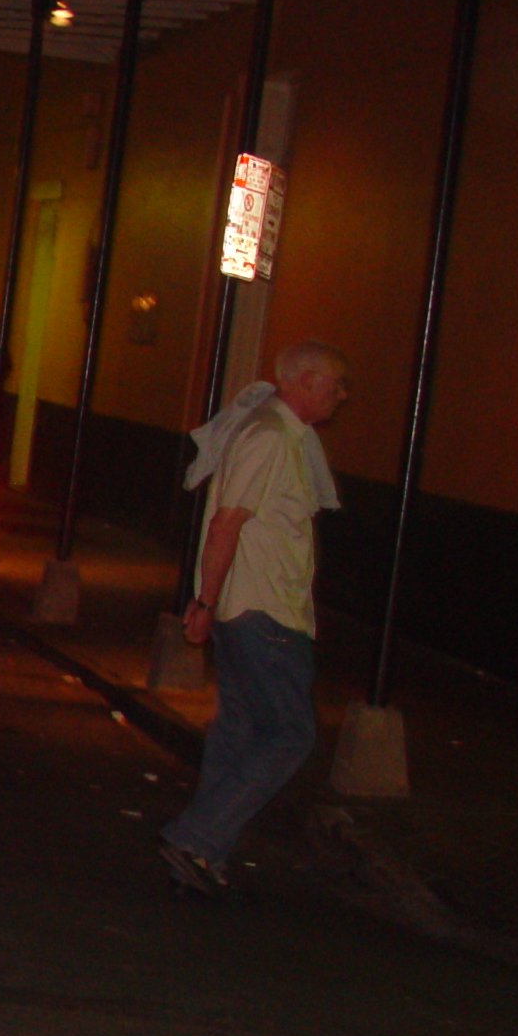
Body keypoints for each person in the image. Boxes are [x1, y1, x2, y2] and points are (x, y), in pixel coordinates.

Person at [158, 340, 352, 895]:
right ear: (307, 380)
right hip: (262, 614)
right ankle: (195, 836)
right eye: (336, 382)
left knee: (239, 730)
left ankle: (200, 848)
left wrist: (210, 603)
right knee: (290, 734)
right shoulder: (269, 438)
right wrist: (205, 602)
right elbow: (226, 523)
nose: (342, 395)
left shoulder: (284, 436)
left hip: (251, 609)